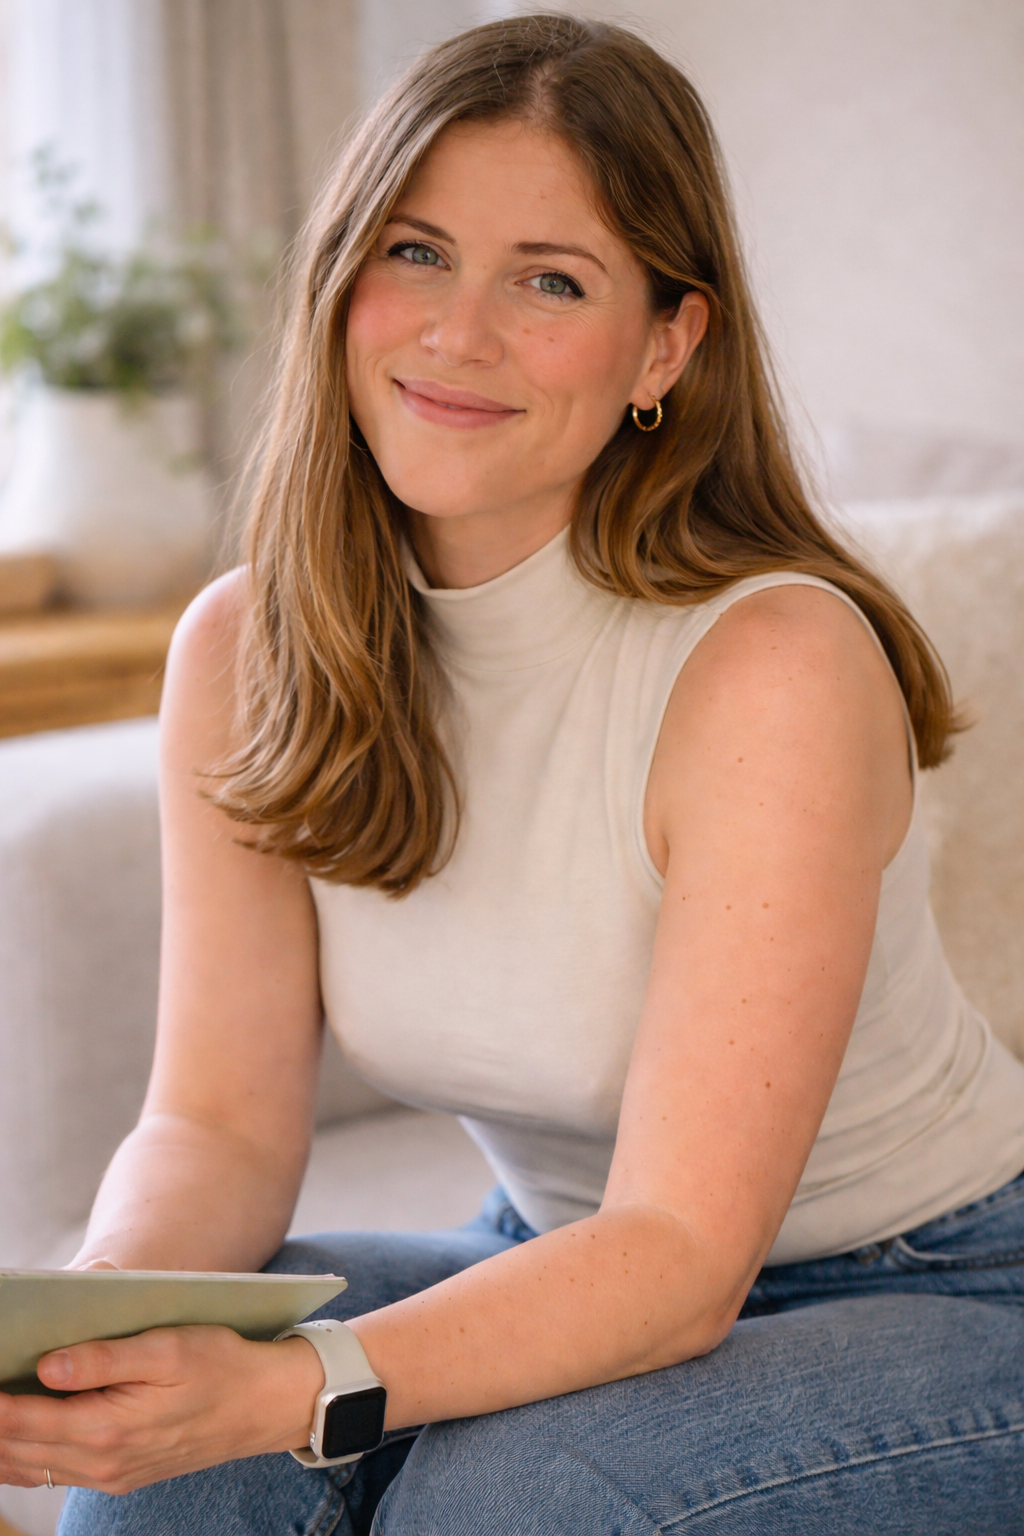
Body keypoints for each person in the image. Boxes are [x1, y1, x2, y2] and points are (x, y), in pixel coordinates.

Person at [3, 14, 1022, 1534]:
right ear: (342, 279)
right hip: (552, 1247)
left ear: (666, 346)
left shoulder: (772, 663)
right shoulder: (244, 649)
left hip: (938, 1286)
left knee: (514, 1497)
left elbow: (682, 1248)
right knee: (177, 1458)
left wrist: (302, 1386)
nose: (456, 332)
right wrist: (88, 1337)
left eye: (550, 280)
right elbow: (215, 1126)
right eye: (416, 253)